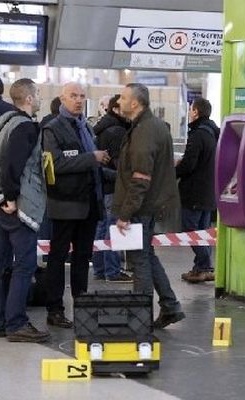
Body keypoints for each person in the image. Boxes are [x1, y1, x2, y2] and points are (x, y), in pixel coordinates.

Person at [0, 78, 50, 342]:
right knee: (24, 264)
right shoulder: (25, 126)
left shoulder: (2, 122)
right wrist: (11, 197)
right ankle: (16, 323)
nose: (40, 97)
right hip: (13, 205)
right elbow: (13, 164)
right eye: (38, 93)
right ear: (29, 98)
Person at [113, 83, 185, 329]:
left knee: (139, 261)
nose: (118, 102)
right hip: (149, 205)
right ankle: (170, 306)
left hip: (141, 208)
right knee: (146, 255)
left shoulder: (144, 131)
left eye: (123, 98)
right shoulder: (147, 127)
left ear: (135, 103)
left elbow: (141, 178)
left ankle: (140, 318)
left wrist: (126, 213)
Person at [42, 82, 111, 328]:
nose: (79, 100)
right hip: (64, 204)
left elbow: (92, 168)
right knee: (58, 257)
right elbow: (57, 165)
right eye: (73, 96)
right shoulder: (52, 129)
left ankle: (81, 304)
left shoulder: (87, 128)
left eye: (82, 96)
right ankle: (55, 309)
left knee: (83, 257)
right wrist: (91, 158)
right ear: (62, 98)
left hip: (90, 204)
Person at [176, 97, 219, 283]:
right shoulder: (214, 133)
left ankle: (205, 266)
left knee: (190, 230)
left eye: (191, 109)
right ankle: (201, 268)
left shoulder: (197, 134)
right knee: (202, 231)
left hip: (194, 192)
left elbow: (189, 165)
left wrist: (173, 171)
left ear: (195, 112)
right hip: (209, 191)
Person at [92, 94, 131, 282]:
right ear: (116, 109)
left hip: (103, 185)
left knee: (102, 227)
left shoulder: (102, 128)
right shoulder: (117, 132)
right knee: (113, 227)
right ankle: (113, 271)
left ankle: (100, 269)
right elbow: (119, 164)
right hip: (115, 186)